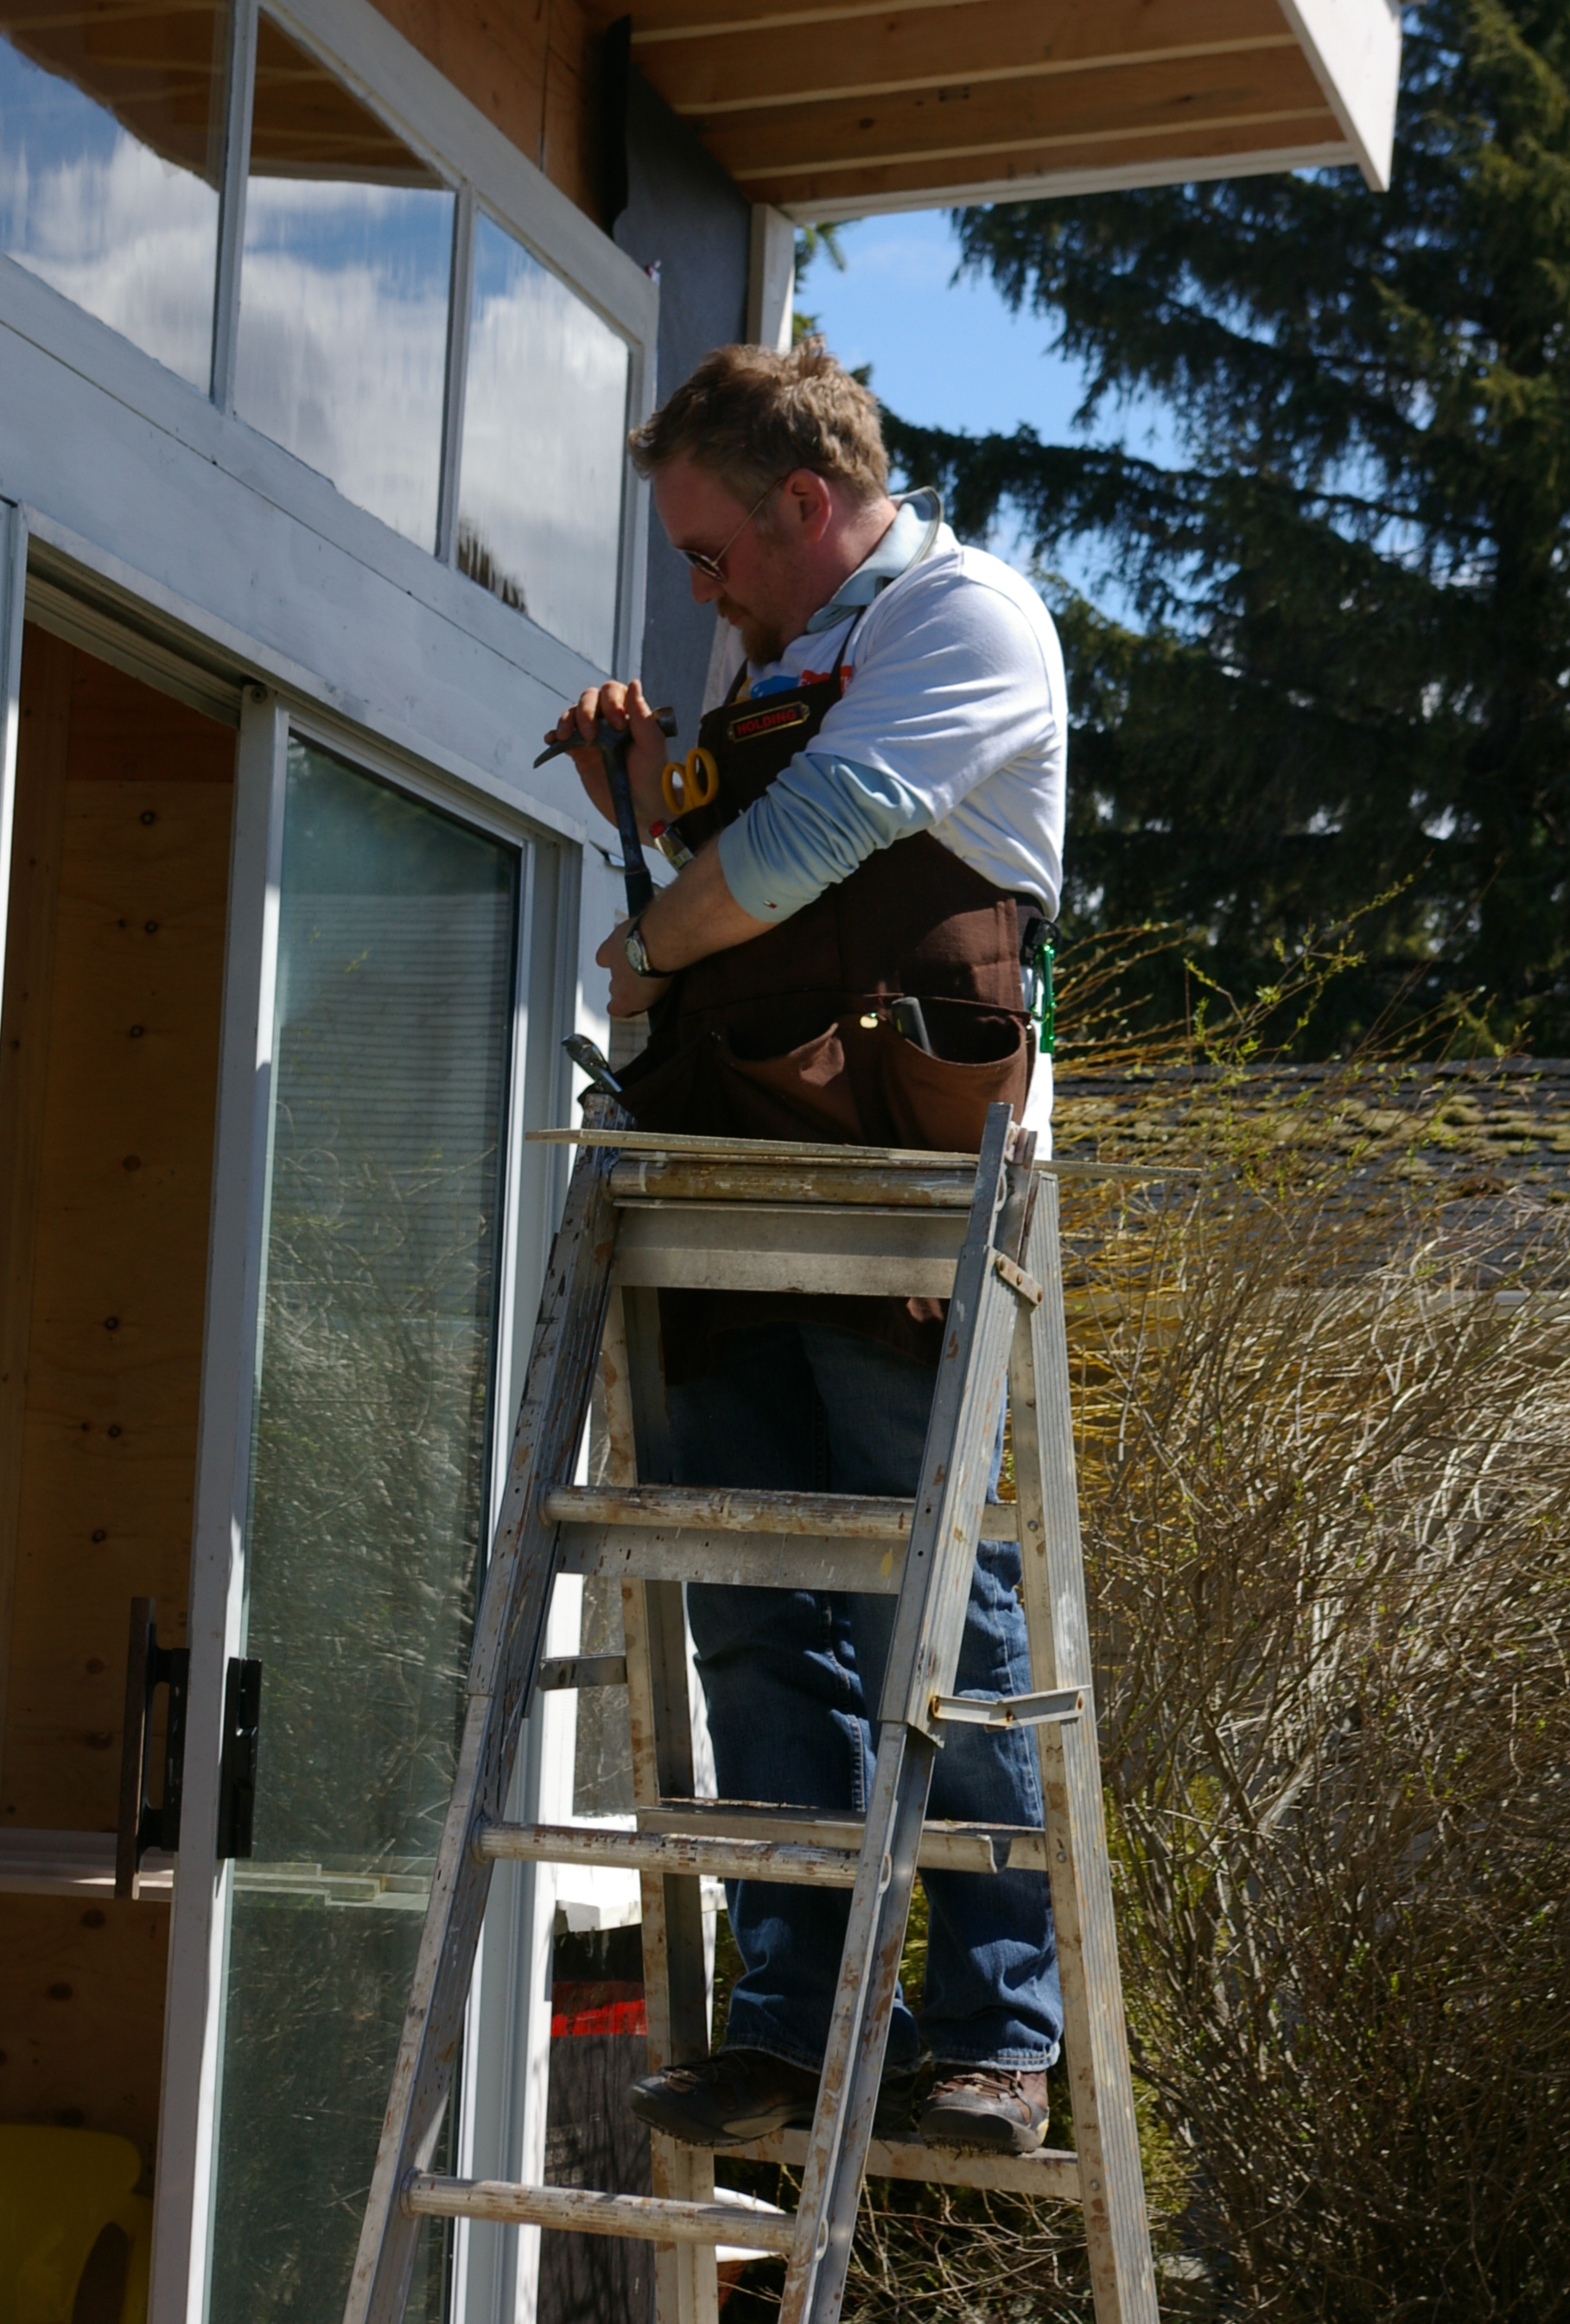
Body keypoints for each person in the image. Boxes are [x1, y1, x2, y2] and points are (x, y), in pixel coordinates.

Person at [543, 341, 1067, 2156]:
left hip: (901, 1197)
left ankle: (996, 2030)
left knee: (932, 1611)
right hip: (729, 1171)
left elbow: (820, 836)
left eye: (709, 552)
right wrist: (652, 775)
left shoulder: (966, 619)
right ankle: (795, 2018)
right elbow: (727, 829)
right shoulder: (768, 662)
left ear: (807, 507)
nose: (697, 588)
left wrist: (660, 939)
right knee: (758, 1621)